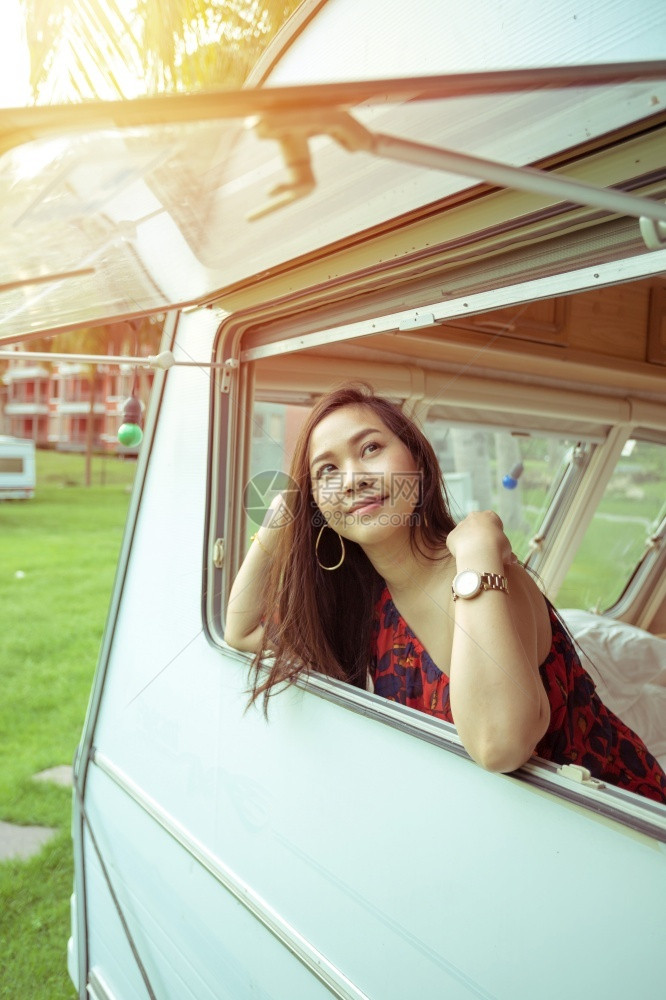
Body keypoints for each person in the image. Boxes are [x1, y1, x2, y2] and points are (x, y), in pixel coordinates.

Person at [225, 382, 666, 804]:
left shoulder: (488, 576)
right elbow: (241, 630)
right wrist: (280, 518)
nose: (353, 478)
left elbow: (499, 745)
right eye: (328, 470)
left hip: (628, 827)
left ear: (417, 461)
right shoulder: (369, 604)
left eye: (371, 448)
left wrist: (476, 552)